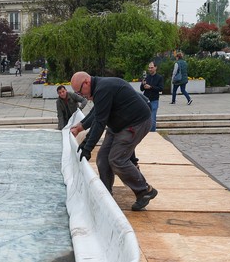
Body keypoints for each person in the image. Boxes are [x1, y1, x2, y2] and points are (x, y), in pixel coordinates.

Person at [68, 71, 158, 211]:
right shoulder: (99, 89)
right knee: (103, 159)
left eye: (80, 92)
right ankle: (106, 195)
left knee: (117, 159)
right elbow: (97, 113)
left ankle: (144, 191)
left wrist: (87, 148)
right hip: (118, 124)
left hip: (136, 123)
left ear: (86, 82)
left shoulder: (103, 88)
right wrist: (81, 128)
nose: (81, 96)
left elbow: (100, 123)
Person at [140, 61, 165, 131]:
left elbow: (161, 88)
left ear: (155, 68)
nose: (150, 69)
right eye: (149, 68)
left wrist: (150, 87)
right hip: (145, 100)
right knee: (144, 119)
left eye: (152, 67)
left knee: (153, 120)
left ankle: (153, 135)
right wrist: (143, 84)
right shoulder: (146, 77)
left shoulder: (159, 77)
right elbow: (141, 89)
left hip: (154, 100)